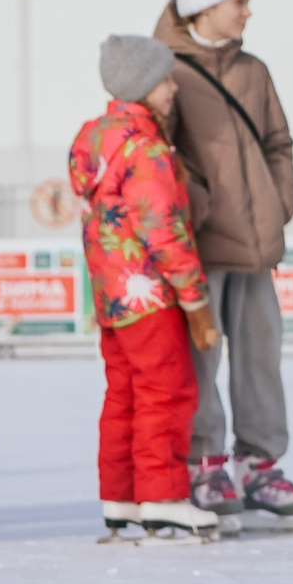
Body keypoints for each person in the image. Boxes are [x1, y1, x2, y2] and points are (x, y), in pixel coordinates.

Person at [153, 0, 293, 529]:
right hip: (201, 250)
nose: (248, 12)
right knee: (201, 363)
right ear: (205, 3)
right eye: (240, 1)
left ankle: (261, 465)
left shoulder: (253, 71)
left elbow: (279, 145)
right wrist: (200, 208)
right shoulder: (164, 71)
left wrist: (279, 205)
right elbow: (159, 156)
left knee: (261, 360)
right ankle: (206, 463)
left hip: (257, 248)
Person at [76, 35, 222, 542]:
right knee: (166, 391)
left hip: (112, 299)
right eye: (163, 80)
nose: (173, 88)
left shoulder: (98, 142)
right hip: (150, 293)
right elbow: (164, 230)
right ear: (139, 88)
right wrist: (197, 302)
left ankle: (121, 497)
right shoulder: (146, 149)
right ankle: (162, 498)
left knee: (124, 395)